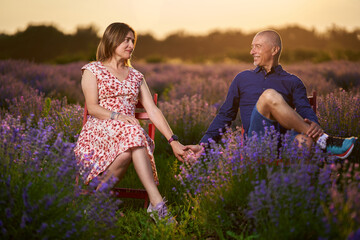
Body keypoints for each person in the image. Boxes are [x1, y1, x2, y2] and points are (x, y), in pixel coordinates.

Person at [74, 22, 184, 223]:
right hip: (99, 131)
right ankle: (157, 203)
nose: (131, 45)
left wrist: (173, 140)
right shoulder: (93, 69)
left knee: (129, 143)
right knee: (133, 133)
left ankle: (97, 204)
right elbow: (92, 107)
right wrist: (118, 116)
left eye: (133, 41)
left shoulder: (136, 76)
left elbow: (152, 110)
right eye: (126, 40)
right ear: (111, 39)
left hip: (128, 133)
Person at [186, 30, 356, 159]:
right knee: (269, 96)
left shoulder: (292, 81)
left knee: (305, 141)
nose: (252, 51)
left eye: (257, 46)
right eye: (252, 47)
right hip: (257, 142)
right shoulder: (242, 79)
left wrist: (314, 124)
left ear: (274, 50)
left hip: (284, 141)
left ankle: (293, 195)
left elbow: (305, 110)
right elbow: (225, 115)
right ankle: (325, 141)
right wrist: (203, 145)